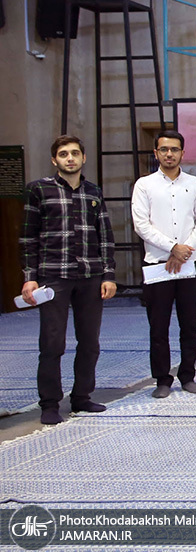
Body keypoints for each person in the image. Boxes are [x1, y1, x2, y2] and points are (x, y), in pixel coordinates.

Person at [20, 135, 117, 425]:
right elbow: (28, 238)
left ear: (83, 158)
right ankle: (50, 404)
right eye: (63, 154)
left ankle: (82, 397)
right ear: (55, 160)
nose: (70, 158)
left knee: (90, 342)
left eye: (75, 153)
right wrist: (29, 278)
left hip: (90, 276)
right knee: (52, 343)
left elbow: (105, 236)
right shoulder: (38, 190)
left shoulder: (93, 192)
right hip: (53, 276)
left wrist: (109, 275)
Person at [131, 130, 196, 398]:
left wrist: (184, 250)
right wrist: (172, 248)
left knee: (190, 325)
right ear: (156, 153)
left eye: (174, 149)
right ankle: (162, 380)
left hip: (189, 264)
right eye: (164, 149)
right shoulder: (144, 185)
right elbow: (141, 225)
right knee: (158, 326)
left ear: (182, 153)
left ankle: (188, 375)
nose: (169, 154)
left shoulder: (194, 184)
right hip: (157, 264)